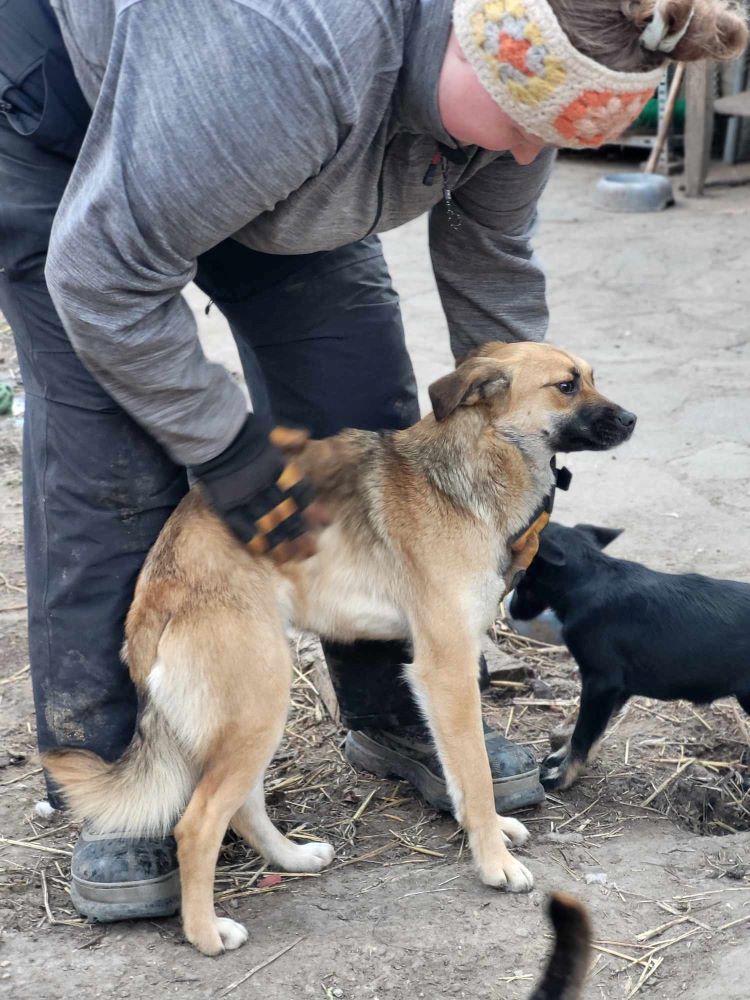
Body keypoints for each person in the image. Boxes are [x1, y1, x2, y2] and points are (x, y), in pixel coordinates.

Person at [0, 0, 744, 922]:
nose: (523, 157)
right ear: (473, 52)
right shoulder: (291, 53)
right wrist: (232, 455)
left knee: (360, 397)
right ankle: (126, 780)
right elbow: (101, 278)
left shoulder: (528, 99)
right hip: (78, 126)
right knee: (114, 450)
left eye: (545, 142)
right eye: (520, 126)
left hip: (312, 155)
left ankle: (391, 717)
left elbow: (494, 268)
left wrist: (517, 456)